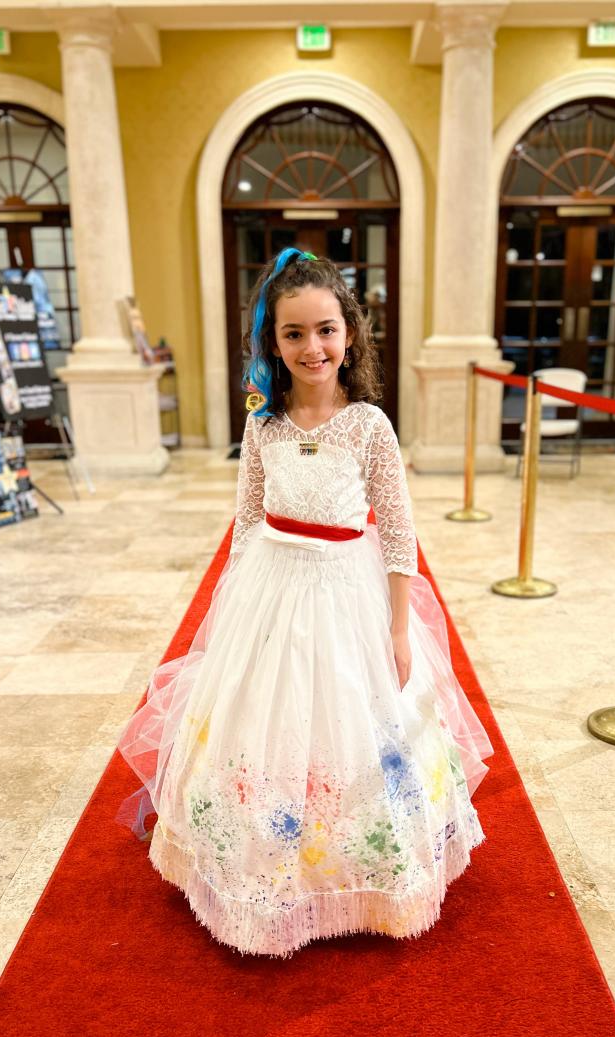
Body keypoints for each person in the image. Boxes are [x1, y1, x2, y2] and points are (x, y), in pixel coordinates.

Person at [116, 247, 493, 959]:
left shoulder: (369, 426)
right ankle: (261, 872)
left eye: (325, 329)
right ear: (273, 342)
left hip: (348, 590)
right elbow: (247, 516)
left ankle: (365, 871)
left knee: (355, 719)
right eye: (293, 334)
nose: (311, 347)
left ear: (349, 332)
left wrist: (398, 625)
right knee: (265, 721)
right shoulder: (264, 424)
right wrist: (231, 612)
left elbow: (399, 530)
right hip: (273, 588)